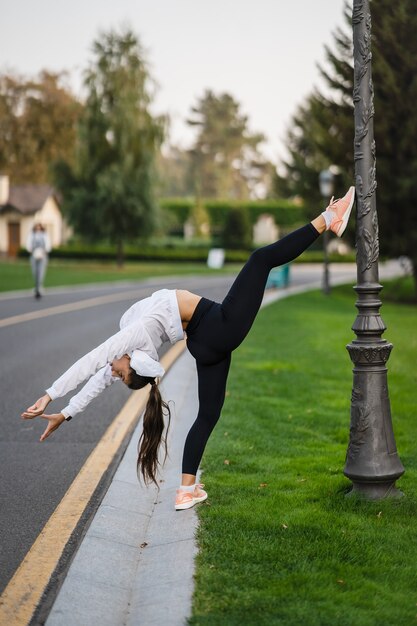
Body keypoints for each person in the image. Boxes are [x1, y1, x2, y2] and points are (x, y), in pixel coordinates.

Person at [22, 187, 355, 511]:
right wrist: (50, 394)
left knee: (208, 414)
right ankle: (330, 217)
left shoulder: (132, 352)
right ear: (135, 361)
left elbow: (97, 377)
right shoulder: (134, 338)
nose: (111, 369)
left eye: (116, 373)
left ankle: (185, 490)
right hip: (217, 326)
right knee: (260, 259)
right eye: (119, 372)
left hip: (203, 341)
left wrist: (65, 413)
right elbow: (90, 361)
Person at [26, 223, 51, 298]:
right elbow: (28, 244)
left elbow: (48, 245)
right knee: (35, 271)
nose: (38, 229)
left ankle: (40, 286)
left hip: (42, 256)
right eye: (37, 227)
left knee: (41, 271)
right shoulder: (31, 235)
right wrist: (31, 251)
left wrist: (44, 252)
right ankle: (36, 286)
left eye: (39, 227)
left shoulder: (45, 235)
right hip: (34, 255)